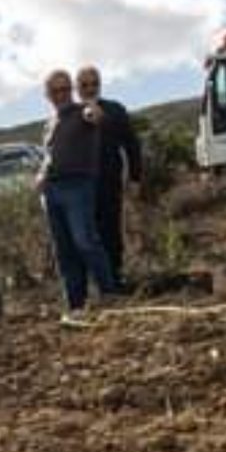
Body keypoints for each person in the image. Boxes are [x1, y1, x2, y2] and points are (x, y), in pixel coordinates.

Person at [34, 69, 120, 316]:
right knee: (64, 250)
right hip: (52, 190)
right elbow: (50, 156)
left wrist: (93, 108)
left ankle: (109, 294)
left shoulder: (81, 111)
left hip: (78, 185)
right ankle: (76, 305)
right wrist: (41, 176)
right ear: (47, 94)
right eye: (55, 90)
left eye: (65, 89)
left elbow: (95, 116)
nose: (61, 94)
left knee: (85, 242)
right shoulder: (49, 123)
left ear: (71, 90)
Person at [75, 66, 143, 289]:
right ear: (77, 88)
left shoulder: (114, 109)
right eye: (84, 85)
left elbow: (132, 144)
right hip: (78, 187)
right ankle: (94, 282)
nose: (90, 88)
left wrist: (134, 178)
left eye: (94, 83)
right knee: (84, 235)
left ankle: (115, 278)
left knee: (110, 231)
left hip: (108, 181)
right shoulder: (70, 114)